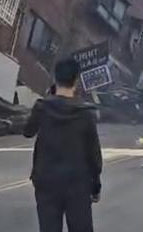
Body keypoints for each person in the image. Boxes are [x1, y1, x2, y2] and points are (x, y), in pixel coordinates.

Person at [24, 58, 103, 232]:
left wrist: (48, 96)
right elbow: (93, 154)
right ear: (76, 80)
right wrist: (95, 184)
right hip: (77, 183)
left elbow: (27, 131)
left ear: (55, 78)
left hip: (46, 181)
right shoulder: (86, 114)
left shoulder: (42, 107)